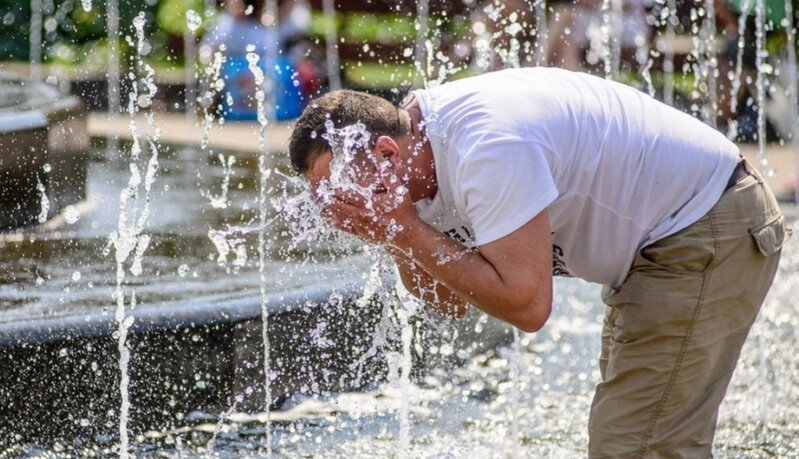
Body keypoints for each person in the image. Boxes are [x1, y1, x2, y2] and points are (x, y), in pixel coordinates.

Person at [288, 67, 792, 457]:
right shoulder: (409, 162)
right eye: (324, 196)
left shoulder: (484, 149)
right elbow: (449, 302)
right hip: (662, 243)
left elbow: (528, 306)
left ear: (385, 152)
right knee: (638, 433)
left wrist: (403, 229)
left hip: (704, 223)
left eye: (337, 186)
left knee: (636, 445)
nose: (337, 205)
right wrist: (394, 231)